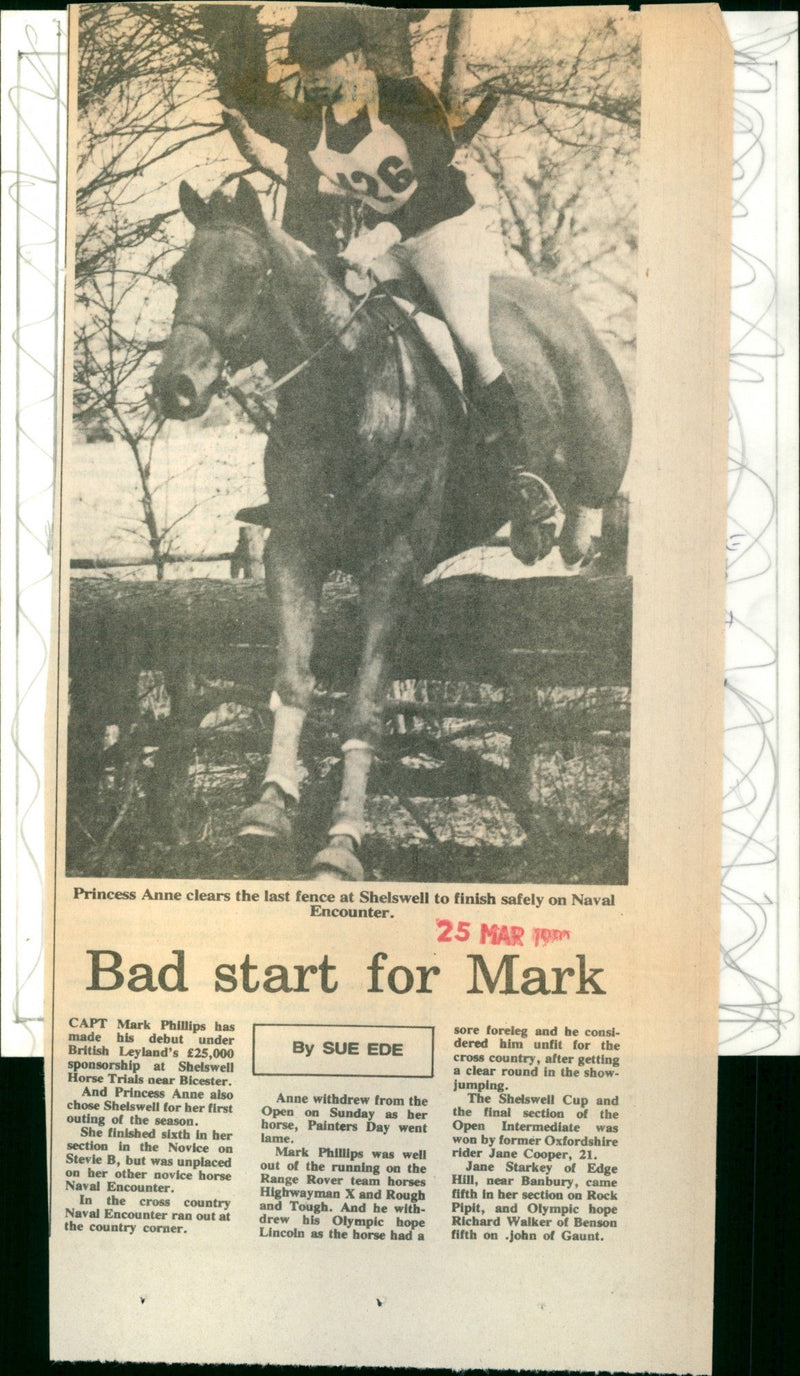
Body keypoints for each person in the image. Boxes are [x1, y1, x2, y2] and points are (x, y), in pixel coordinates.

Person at [206, 5, 554, 564]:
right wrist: (233, 21)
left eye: (320, 64)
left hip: (445, 228)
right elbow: (249, 94)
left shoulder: (405, 101)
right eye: (303, 65)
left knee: (465, 340)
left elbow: (437, 187)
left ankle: (521, 481)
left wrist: (379, 237)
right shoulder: (309, 116)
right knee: (341, 324)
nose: (311, 75)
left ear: (355, 58)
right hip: (385, 239)